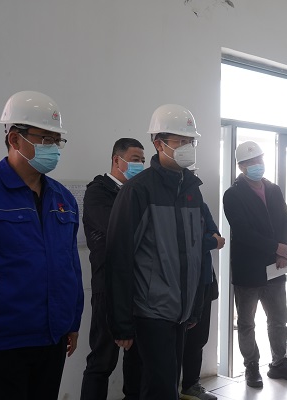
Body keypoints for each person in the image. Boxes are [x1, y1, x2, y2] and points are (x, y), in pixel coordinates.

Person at [105, 104, 206, 399]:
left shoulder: (192, 189)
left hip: (181, 311)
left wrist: (194, 305)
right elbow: (119, 257)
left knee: (168, 384)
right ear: (158, 143)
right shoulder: (138, 190)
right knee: (159, 389)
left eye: (190, 141)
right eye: (180, 140)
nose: (187, 147)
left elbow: (196, 252)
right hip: (151, 313)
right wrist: (121, 323)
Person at [0, 90, 84, 399]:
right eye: (45, 139)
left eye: (57, 140)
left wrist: (73, 321)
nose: (53, 148)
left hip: (53, 336)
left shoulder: (64, 198)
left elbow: (71, 265)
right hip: (4, 340)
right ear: (15, 139)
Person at [223, 141, 287, 388]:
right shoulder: (233, 195)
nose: (257, 165)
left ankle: (279, 364)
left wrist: (283, 251)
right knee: (247, 323)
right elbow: (243, 232)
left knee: (279, 319)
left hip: (275, 269)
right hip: (248, 270)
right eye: (250, 162)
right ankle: (251, 367)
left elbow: (286, 221)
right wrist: (275, 248)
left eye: (259, 159)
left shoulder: (273, 189)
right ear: (241, 166)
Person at [80, 138, 145, 400]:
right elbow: (118, 232)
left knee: (137, 360)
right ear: (117, 160)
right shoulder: (98, 192)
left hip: (138, 287)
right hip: (107, 287)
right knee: (102, 360)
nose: (140, 164)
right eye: (135, 159)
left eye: (143, 160)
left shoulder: (139, 192)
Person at [180, 202, 225, 400]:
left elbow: (216, 236)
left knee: (198, 338)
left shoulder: (200, 205)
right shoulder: (166, 203)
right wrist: (207, 240)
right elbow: (181, 242)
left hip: (204, 281)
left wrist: (206, 240)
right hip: (178, 284)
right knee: (174, 340)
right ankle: (168, 388)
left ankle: (190, 385)